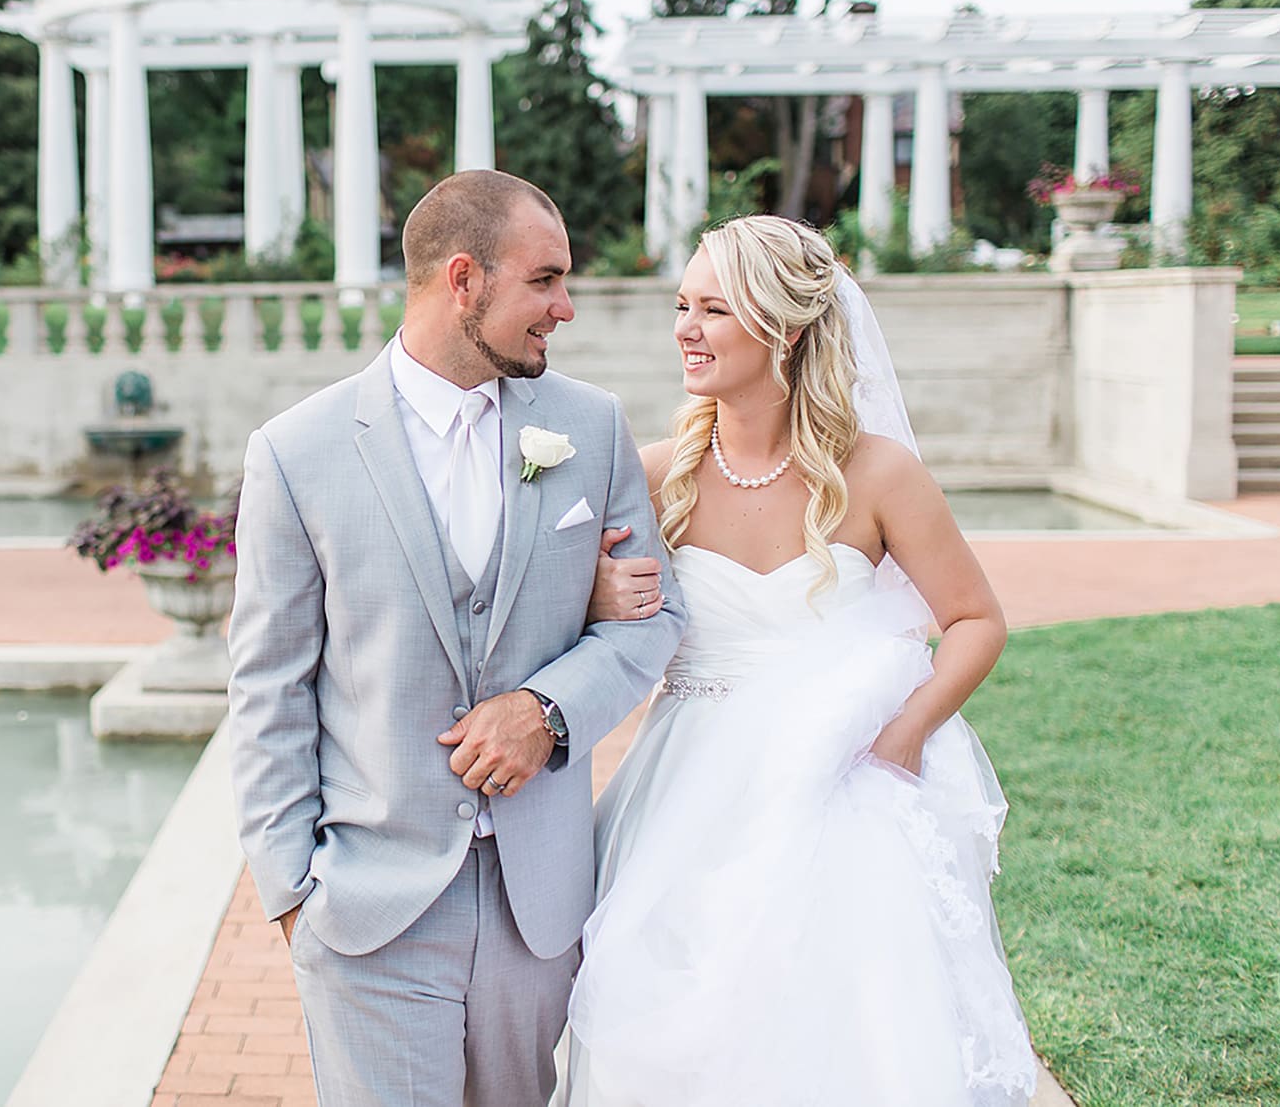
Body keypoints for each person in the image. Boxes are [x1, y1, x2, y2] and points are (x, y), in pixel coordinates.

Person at [227, 170, 686, 1107]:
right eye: (546, 280)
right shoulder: (296, 451)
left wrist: (547, 711)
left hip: (538, 905)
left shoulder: (588, 425)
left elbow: (656, 621)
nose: (566, 307)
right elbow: (268, 687)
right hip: (371, 906)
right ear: (464, 279)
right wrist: (291, 891)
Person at [560, 215, 1039, 1107]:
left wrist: (903, 734)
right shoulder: (654, 471)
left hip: (841, 790)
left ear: (782, 328)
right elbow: (564, 615)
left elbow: (975, 619)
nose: (686, 328)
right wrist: (593, 598)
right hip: (685, 791)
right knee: (660, 1027)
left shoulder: (879, 474)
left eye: (714, 309)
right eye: (682, 305)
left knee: (844, 1034)